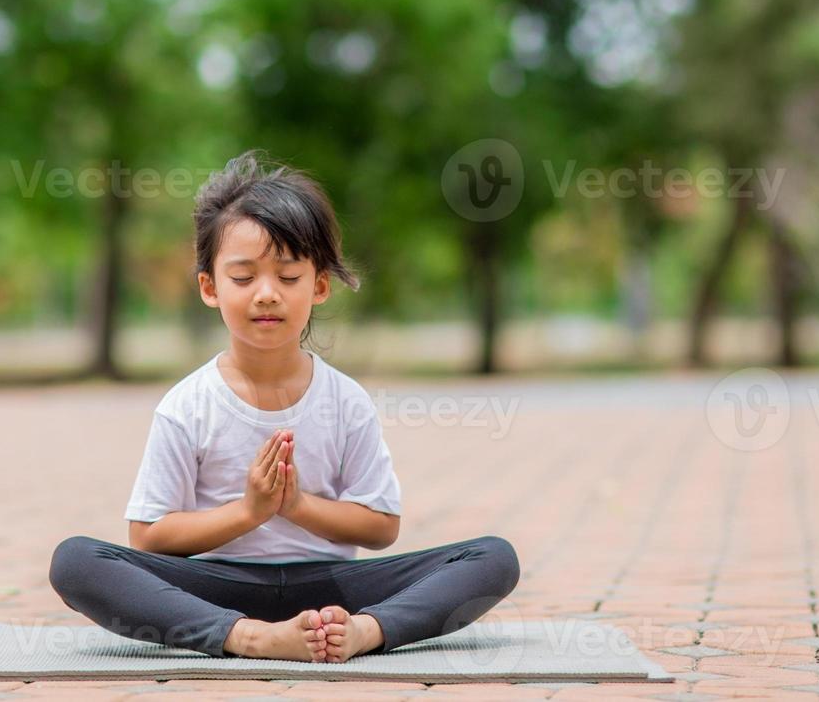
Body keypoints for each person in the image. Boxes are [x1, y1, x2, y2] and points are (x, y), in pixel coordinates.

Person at [49, 149, 520, 662]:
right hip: (215, 589)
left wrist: (296, 507)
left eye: (288, 277)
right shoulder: (187, 405)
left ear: (319, 285)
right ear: (210, 287)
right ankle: (251, 637)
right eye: (244, 277)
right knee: (75, 562)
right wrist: (250, 511)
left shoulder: (345, 401)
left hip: (335, 589)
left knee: (493, 559)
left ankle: (364, 632)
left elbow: (382, 526)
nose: (267, 294)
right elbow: (149, 537)